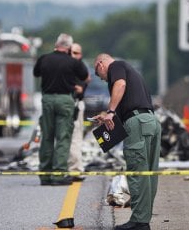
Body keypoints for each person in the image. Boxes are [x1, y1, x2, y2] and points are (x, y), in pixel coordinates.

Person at [92, 53, 161, 230]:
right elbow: (128, 102)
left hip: (138, 123)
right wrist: (106, 117)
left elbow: (120, 84)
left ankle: (139, 222)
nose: (102, 79)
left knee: (138, 173)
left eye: (99, 75)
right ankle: (143, 220)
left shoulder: (117, 66)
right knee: (148, 175)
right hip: (150, 121)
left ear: (100, 64)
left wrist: (110, 111)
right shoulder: (131, 72)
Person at [33, 33, 88, 186]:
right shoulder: (72, 62)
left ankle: (44, 175)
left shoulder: (44, 58)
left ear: (56, 44)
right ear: (69, 47)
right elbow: (84, 75)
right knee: (63, 137)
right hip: (65, 100)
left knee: (47, 137)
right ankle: (58, 174)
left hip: (47, 99)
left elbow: (36, 73)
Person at [68, 43, 89, 181]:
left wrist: (79, 87)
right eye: (72, 52)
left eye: (77, 53)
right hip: (65, 103)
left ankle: (75, 169)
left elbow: (86, 79)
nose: (74, 55)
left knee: (76, 137)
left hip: (76, 104)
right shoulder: (66, 65)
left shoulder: (81, 66)